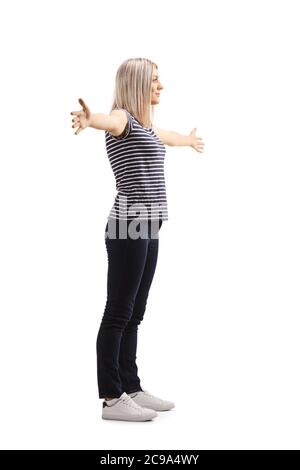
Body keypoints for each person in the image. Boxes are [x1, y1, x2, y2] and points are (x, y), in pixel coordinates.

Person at [70, 58, 204, 422]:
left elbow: (170, 138)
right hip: (128, 224)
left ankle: (131, 387)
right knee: (118, 311)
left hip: (150, 225)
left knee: (135, 313)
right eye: (154, 81)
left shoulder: (147, 127)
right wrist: (89, 119)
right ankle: (112, 398)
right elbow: (106, 121)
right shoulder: (123, 119)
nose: (161, 87)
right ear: (137, 85)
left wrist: (189, 141)